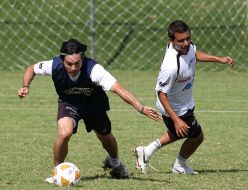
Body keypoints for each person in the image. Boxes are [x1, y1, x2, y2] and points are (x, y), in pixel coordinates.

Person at [18, 39, 162, 182]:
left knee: (105, 136)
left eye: (77, 63)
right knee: (64, 132)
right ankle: (57, 172)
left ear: (83, 59)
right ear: (62, 60)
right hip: (69, 103)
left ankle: (115, 163)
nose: (73, 67)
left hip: (94, 105)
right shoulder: (53, 65)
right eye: (69, 64)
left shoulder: (94, 70)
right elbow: (31, 68)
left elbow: (119, 89)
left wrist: (141, 108)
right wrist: (26, 85)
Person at [134, 20, 234, 174]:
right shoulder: (171, 66)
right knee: (196, 136)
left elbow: (194, 54)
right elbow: (161, 93)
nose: (186, 43)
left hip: (183, 103)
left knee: (180, 133)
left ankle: (146, 152)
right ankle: (179, 165)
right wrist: (176, 119)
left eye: (188, 38)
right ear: (171, 42)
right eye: (181, 41)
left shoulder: (188, 46)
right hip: (175, 107)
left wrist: (218, 59)